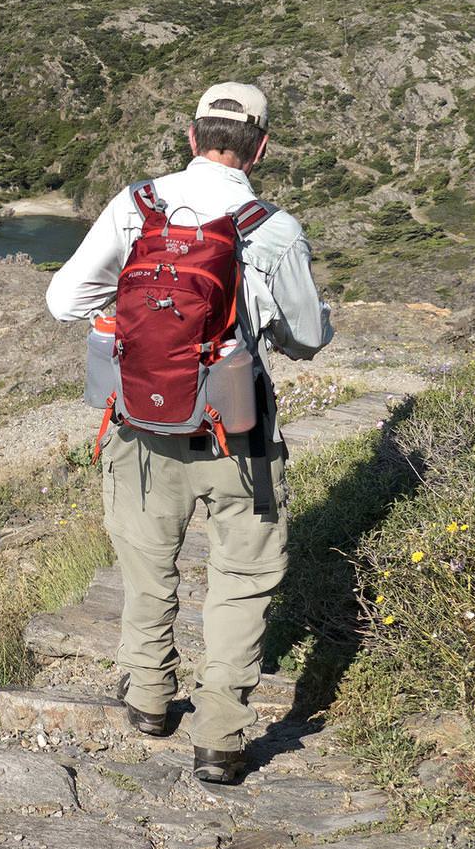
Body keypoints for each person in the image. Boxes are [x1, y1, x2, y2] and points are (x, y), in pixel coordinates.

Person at [45, 81, 332, 784]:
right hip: (238, 431)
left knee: (146, 564)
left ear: (191, 135)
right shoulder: (275, 227)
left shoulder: (136, 206)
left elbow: (63, 300)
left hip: (141, 423)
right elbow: (307, 338)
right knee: (242, 576)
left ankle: (148, 699)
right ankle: (222, 739)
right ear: (259, 147)